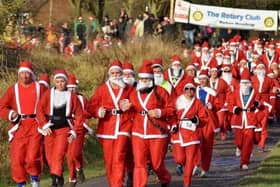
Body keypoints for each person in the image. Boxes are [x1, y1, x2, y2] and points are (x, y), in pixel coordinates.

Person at [128, 59, 175, 187]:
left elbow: (171, 109)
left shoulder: (161, 92)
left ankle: (165, 178)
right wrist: (126, 106)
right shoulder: (134, 93)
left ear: (151, 79)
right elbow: (131, 111)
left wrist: (160, 112)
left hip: (157, 133)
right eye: (142, 79)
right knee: (139, 163)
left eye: (146, 79)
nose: (144, 82)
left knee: (157, 164)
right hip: (138, 132)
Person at [87, 60, 133, 187]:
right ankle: (114, 183)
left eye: (118, 72)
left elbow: (137, 104)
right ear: (109, 74)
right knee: (109, 160)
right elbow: (91, 106)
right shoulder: (102, 89)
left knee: (119, 157)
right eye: (113, 73)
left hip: (123, 126)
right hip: (106, 128)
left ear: (122, 73)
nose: (116, 75)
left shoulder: (128, 89)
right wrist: (97, 111)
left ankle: (117, 184)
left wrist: (131, 105)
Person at [36, 69, 84, 187]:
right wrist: (44, 124)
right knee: (49, 156)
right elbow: (39, 110)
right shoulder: (48, 94)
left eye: (62, 81)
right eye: (57, 81)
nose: (60, 83)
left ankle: (54, 181)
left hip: (64, 129)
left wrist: (74, 132)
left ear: (66, 82)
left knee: (58, 154)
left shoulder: (72, 96)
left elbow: (79, 115)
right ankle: (59, 175)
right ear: (54, 82)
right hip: (50, 129)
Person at [0, 61, 44, 187]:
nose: (25, 76)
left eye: (27, 73)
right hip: (19, 126)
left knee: (32, 156)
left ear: (31, 74)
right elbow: (1, 107)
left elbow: (50, 102)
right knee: (17, 158)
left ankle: (35, 179)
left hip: (35, 125)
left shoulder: (39, 88)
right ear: (19, 74)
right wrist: (10, 114)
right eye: (22, 73)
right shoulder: (13, 89)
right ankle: (20, 183)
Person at [174, 77, 208, 187]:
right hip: (178, 132)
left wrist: (197, 120)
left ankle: (187, 183)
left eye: (192, 89)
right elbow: (170, 115)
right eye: (187, 89)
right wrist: (172, 125)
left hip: (192, 134)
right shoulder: (177, 101)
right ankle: (181, 166)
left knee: (190, 160)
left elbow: (204, 119)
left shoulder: (198, 103)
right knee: (180, 158)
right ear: (184, 89)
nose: (189, 91)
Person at [228, 68, 263, 170]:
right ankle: (239, 148)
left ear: (249, 83)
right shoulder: (235, 92)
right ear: (240, 83)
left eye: (246, 82)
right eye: (243, 83)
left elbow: (260, 104)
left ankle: (244, 162)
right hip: (239, 119)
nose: (244, 85)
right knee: (239, 142)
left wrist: (257, 104)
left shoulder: (255, 92)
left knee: (248, 142)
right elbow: (231, 104)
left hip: (250, 119)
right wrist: (234, 109)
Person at [66, 74, 93, 187]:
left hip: (79, 128)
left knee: (75, 153)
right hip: (66, 127)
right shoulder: (62, 97)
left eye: (73, 87)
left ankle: (79, 167)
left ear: (76, 87)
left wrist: (80, 115)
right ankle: (72, 179)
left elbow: (90, 111)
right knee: (69, 156)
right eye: (69, 87)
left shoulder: (82, 98)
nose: (71, 89)